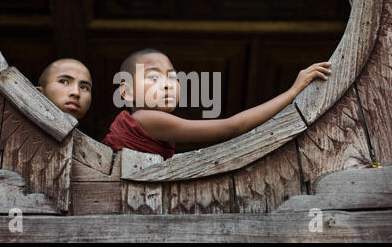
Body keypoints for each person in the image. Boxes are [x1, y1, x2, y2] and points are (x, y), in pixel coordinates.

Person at [102, 48, 332, 160]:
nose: (167, 84)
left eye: (172, 77)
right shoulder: (145, 119)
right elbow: (230, 127)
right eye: (153, 77)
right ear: (127, 90)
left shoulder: (151, 125)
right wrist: (293, 92)